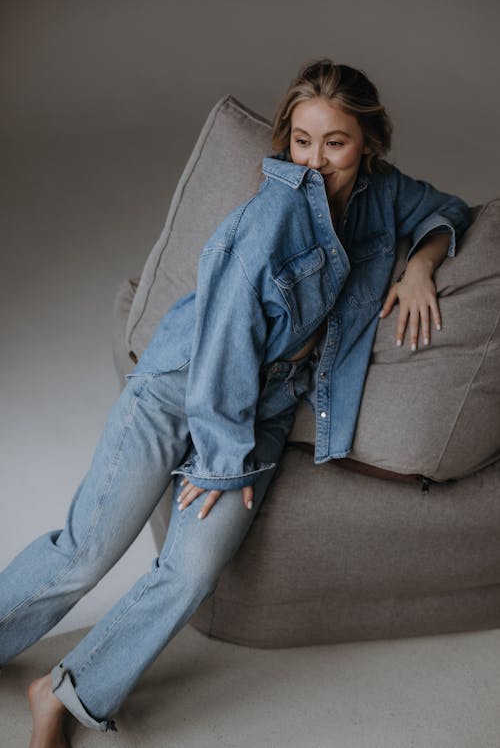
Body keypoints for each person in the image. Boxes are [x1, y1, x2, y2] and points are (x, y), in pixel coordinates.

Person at [0, 58, 470, 748]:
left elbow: (444, 209)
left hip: (266, 409)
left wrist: (423, 262)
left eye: (334, 143)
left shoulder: (379, 194)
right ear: (287, 140)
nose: (315, 161)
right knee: (85, 551)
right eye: (302, 141)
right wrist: (222, 464)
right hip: (180, 389)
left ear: (367, 143)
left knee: (191, 569)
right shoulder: (271, 218)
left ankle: (64, 693)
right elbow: (221, 343)